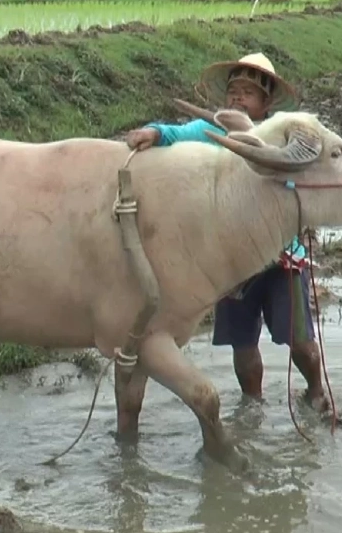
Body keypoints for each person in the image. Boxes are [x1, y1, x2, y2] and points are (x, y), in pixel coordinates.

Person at [122, 53, 328, 412]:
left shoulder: (285, 139)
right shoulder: (215, 134)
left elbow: (297, 180)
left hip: (281, 260)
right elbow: (176, 132)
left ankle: (315, 391)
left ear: (266, 103)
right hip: (233, 264)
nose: (238, 98)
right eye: (234, 91)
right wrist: (153, 132)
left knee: (300, 342)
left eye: (248, 92)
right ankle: (252, 407)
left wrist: (251, 138)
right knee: (243, 344)